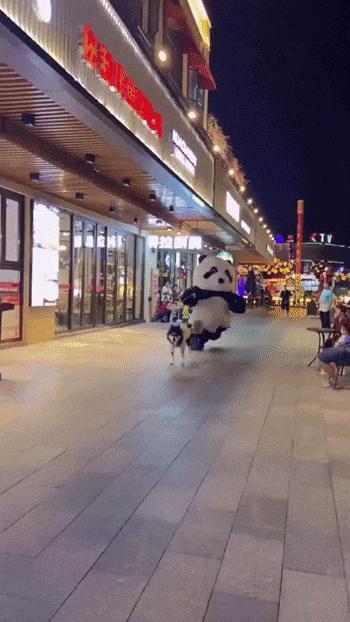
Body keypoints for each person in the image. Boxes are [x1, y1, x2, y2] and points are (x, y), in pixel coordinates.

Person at [318, 316, 350, 387]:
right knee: (327, 355)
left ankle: (334, 379)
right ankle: (334, 378)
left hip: (344, 351)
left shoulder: (343, 320)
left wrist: (344, 340)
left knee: (322, 358)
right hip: (343, 350)